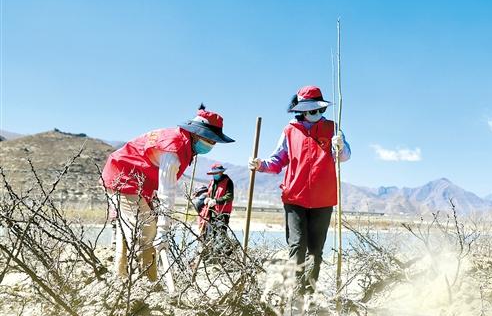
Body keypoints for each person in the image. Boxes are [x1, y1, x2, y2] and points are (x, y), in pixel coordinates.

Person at [102, 105, 235, 280]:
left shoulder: (184, 144)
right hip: (123, 178)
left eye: (214, 141)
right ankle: (148, 282)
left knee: (129, 229)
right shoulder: (173, 149)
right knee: (146, 231)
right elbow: (167, 192)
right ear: (197, 134)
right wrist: (163, 230)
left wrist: (162, 225)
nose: (212, 144)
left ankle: (121, 277)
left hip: (139, 183)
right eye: (210, 140)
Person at [249, 85, 351, 295]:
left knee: (316, 251)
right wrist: (260, 165)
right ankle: (295, 293)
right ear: (302, 110)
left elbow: (344, 156)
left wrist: (340, 146)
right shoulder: (290, 131)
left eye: (320, 109)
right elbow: (278, 160)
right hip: (294, 197)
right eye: (313, 110)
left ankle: (309, 294)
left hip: (324, 199)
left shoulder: (332, 128)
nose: (317, 113)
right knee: (297, 245)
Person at [198, 162, 235, 243]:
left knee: (220, 235)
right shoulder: (212, 182)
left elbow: (229, 196)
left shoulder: (228, 182)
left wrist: (216, 201)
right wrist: (208, 199)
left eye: (216, 173)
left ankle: (222, 249)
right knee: (209, 235)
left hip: (222, 213)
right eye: (213, 173)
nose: (215, 175)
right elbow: (210, 194)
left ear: (221, 172)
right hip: (211, 213)